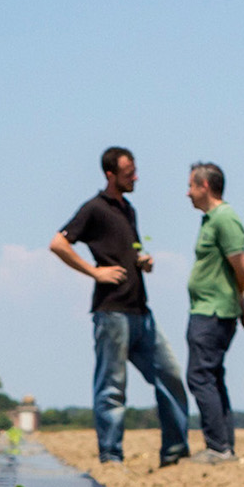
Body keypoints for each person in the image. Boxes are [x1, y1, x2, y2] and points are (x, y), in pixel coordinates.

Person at [48, 147, 191, 467]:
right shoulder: (94, 208)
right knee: (112, 387)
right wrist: (95, 271)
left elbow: (126, 249)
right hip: (111, 312)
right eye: (129, 173)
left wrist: (142, 261)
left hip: (141, 310)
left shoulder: (129, 210)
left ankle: (175, 451)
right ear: (110, 175)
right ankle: (111, 456)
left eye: (135, 171)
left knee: (170, 375)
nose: (135, 178)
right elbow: (58, 243)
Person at [184, 161, 244, 464]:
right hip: (209, 309)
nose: (187, 193)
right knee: (211, 376)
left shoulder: (225, 219)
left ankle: (217, 448)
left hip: (212, 312)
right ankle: (224, 446)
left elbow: (243, 269)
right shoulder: (211, 219)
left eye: (190, 186)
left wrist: (239, 304)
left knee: (200, 376)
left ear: (205, 186)